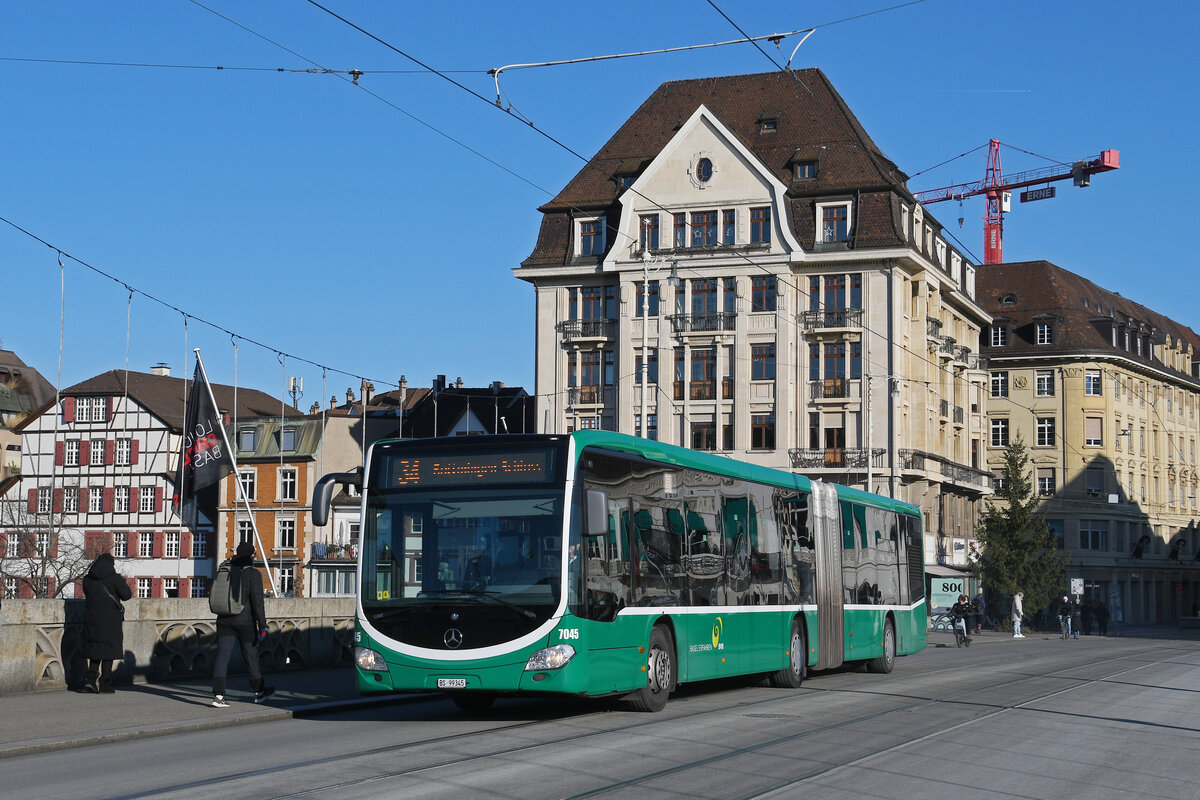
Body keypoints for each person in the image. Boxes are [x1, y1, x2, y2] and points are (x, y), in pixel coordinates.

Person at [211, 542, 274, 708]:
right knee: (251, 656)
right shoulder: (253, 574)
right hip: (245, 622)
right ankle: (258, 692)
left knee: (222, 656)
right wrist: (262, 625)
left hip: (224, 619)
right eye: (254, 554)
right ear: (251, 555)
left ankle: (218, 695)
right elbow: (257, 602)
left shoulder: (225, 568)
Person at [81, 552, 132, 693]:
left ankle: (90, 681)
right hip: (111, 621)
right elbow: (127, 595)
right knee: (108, 652)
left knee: (94, 651)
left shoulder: (87, 580)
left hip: (91, 620)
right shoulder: (114, 578)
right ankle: (105, 684)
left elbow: (87, 593)